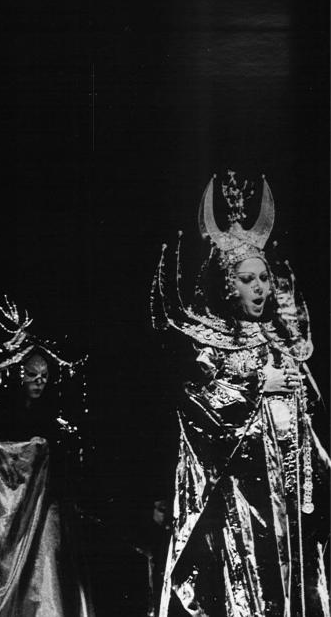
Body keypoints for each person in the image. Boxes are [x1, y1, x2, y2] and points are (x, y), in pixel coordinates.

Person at [152, 172, 329, 617]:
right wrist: (256, 389)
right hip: (241, 496)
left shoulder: (281, 342)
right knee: (249, 588)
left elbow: (310, 413)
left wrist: (300, 401)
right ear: (228, 283)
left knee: (295, 579)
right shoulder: (212, 348)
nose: (260, 288)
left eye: (264, 278)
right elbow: (198, 410)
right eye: (249, 279)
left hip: (289, 492)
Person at [0, 297, 94, 617]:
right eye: (32, 374)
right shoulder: (3, 417)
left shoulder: (53, 418)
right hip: (11, 512)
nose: (39, 381)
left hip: (46, 506)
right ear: (19, 375)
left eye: (44, 375)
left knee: (49, 560)